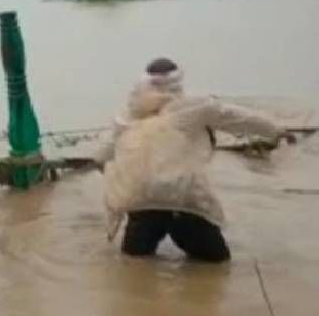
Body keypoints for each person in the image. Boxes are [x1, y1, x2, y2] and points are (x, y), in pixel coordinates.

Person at [96, 57, 288, 263]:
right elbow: (240, 118)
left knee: (133, 266)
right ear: (178, 82)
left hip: (139, 204)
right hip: (183, 202)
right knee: (216, 265)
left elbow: (102, 156)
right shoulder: (195, 107)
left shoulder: (128, 115)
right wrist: (277, 130)